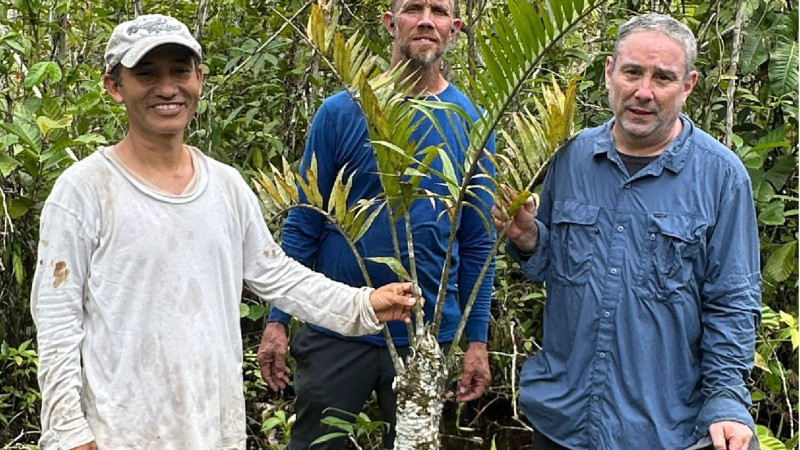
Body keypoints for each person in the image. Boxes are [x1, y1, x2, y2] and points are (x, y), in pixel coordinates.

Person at [30, 14, 419, 450]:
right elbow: (57, 320)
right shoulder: (84, 190)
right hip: (120, 433)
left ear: (199, 78)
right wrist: (68, 431)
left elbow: (277, 276)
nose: (167, 88)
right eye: (146, 74)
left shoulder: (226, 186)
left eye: (180, 71)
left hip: (213, 429)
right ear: (114, 86)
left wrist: (363, 304)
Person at [493, 13, 761, 450]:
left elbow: (733, 303)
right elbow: (552, 269)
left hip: (662, 430)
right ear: (609, 72)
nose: (643, 91)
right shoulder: (570, 157)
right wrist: (528, 238)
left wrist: (726, 401)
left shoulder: (722, 178)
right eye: (632, 72)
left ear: (688, 85)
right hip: (563, 421)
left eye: (663, 77)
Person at [257, 0, 496, 447]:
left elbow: (478, 242)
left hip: (426, 337)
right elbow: (306, 220)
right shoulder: (341, 112)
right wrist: (277, 321)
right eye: (413, 9)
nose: (426, 20)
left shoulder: (474, 123)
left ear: (455, 28)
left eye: (439, 11)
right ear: (390, 23)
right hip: (335, 328)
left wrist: (477, 341)